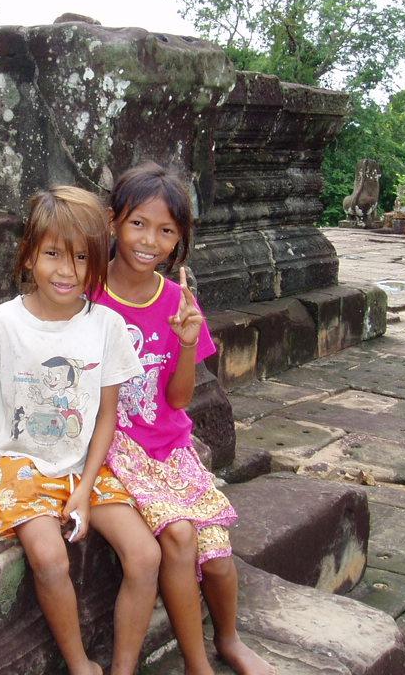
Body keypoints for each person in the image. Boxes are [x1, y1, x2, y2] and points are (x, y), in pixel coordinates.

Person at [0, 185, 162, 675]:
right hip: (19, 462)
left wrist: (84, 489)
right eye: (54, 255)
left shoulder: (106, 326)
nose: (67, 270)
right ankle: (81, 665)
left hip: (85, 465)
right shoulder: (5, 322)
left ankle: (123, 668)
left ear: (97, 262)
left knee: (146, 555)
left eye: (82, 257)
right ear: (29, 256)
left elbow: (106, 416)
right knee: (49, 557)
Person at [95, 163, 276, 675]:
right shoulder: (88, 294)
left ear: (179, 240)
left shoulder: (178, 301)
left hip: (169, 446)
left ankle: (229, 640)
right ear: (113, 221)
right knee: (178, 535)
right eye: (138, 223)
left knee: (217, 558)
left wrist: (189, 342)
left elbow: (177, 400)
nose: (149, 241)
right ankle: (198, 665)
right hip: (116, 446)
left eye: (166, 231)